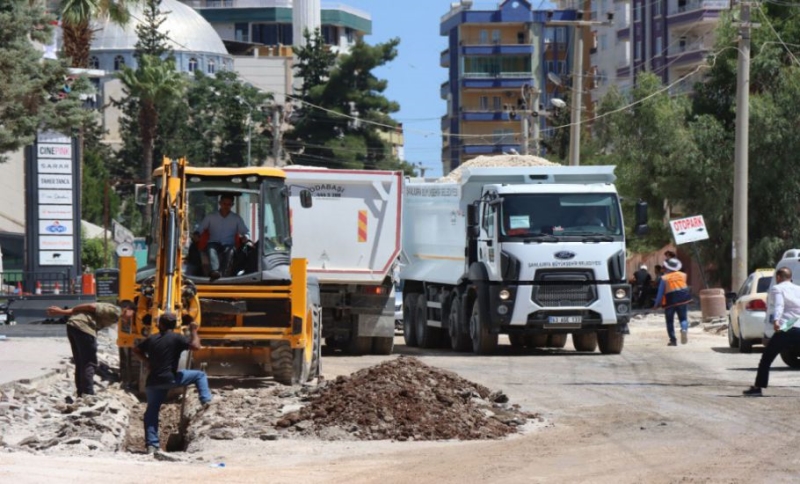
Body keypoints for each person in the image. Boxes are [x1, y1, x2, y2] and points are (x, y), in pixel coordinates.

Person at [133, 312, 212, 454]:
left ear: (160, 325)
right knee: (199, 375)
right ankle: (205, 400)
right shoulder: (177, 338)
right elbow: (196, 346)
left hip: (153, 382)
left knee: (151, 412)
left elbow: (136, 350)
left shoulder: (151, 339)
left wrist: (147, 361)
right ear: (175, 325)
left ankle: (152, 445)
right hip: (172, 379)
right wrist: (194, 330)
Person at [46, 302, 128, 398]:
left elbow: (80, 310)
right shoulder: (115, 311)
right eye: (133, 313)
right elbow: (90, 306)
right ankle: (88, 394)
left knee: (80, 363)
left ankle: (81, 393)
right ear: (127, 309)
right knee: (89, 363)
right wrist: (62, 311)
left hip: (73, 326)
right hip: (84, 328)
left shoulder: (115, 315)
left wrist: (61, 312)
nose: (132, 318)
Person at [743, 266, 800, 396]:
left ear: (778, 277)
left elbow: (779, 305)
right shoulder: (798, 289)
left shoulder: (777, 288)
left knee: (767, 358)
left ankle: (758, 388)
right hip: (798, 325)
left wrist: (776, 321)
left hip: (786, 326)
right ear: (790, 277)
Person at [194, 194, 249, 281]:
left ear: (232, 205)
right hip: (213, 242)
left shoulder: (236, 218)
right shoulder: (210, 217)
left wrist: (245, 237)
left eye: (229, 204)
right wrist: (197, 234)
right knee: (211, 248)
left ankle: (223, 275)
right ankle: (215, 271)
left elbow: (246, 232)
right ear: (220, 203)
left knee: (230, 251)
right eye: (224, 203)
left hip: (229, 244)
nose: (226, 206)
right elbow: (200, 229)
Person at [652, 258, 692, 346]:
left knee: (670, 321)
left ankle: (673, 340)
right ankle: (684, 329)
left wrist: (656, 304)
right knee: (683, 318)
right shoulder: (683, 275)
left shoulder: (664, 278)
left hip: (670, 301)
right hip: (682, 299)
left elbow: (660, 293)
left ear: (667, 267)